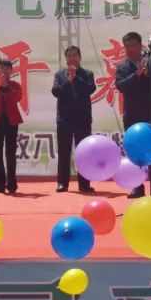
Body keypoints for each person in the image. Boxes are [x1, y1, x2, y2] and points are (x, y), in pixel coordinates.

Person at [115, 31, 151, 199]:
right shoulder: (122, 67)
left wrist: (149, 74)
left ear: (140, 46)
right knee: (134, 152)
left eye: (133, 45)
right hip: (132, 115)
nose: (130, 49)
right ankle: (137, 188)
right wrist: (137, 75)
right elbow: (121, 85)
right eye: (127, 46)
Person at [52, 45, 97, 193]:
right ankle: (62, 183)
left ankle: (84, 184)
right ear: (66, 59)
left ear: (80, 57)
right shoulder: (60, 75)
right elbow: (56, 91)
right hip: (64, 119)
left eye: (74, 55)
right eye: (69, 56)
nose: (72, 58)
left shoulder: (87, 74)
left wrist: (75, 78)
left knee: (83, 153)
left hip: (82, 119)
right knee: (64, 152)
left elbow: (90, 88)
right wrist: (69, 80)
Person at [0, 58, 23, 194]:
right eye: (2, 68)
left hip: (11, 122)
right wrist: (0, 86)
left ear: (11, 71)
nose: (4, 70)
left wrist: (6, 86)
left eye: (7, 68)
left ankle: (12, 184)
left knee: (10, 153)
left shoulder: (15, 85)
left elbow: (16, 98)